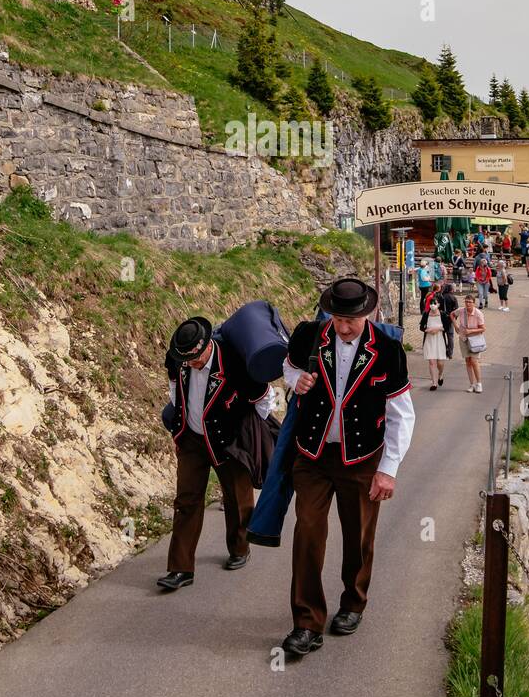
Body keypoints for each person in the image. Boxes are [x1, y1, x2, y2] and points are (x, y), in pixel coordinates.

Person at [280, 277, 416, 657]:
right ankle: (307, 622)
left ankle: (353, 603)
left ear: (368, 313)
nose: (342, 328)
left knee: (358, 536)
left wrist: (388, 468)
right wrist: (298, 380)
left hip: (362, 458)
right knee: (307, 530)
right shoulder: (309, 335)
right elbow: (287, 368)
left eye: (350, 321)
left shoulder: (388, 350)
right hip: (312, 454)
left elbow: (401, 414)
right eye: (338, 319)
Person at [158, 316, 274, 591]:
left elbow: (264, 398)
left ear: (207, 346)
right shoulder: (178, 360)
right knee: (186, 500)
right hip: (193, 440)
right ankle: (180, 569)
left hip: (229, 440)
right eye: (186, 360)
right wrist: (181, 424)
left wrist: (250, 432)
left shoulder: (235, 362)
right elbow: (175, 391)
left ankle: (239, 548)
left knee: (237, 497)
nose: (191, 363)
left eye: (195, 358)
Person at [453, 293, 486, 393]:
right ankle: (471, 384)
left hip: (475, 340)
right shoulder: (461, 311)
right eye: (466, 302)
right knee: (467, 361)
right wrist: (456, 326)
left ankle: (479, 383)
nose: (467, 304)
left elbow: (483, 328)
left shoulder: (478, 314)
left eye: (470, 302)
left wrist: (471, 331)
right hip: (463, 339)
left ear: (474, 304)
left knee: (474, 361)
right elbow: (452, 315)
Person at [421, 288, 447, 390]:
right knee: (432, 362)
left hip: (439, 339)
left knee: (440, 362)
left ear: (439, 305)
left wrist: (437, 329)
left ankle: (441, 374)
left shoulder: (443, 315)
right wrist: (428, 330)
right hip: (429, 340)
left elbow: (447, 327)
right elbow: (421, 327)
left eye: (434, 303)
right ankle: (434, 383)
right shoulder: (426, 315)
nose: (432, 305)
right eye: (431, 303)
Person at [440, 278, 458, 359]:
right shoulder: (453, 298)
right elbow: (456, 310)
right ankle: (450, 353)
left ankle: (444, 350)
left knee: (442, 336)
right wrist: (454, 319)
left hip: (441, 319)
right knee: (450, 336)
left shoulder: (441, 297)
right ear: (451, 289)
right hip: (450, 319)